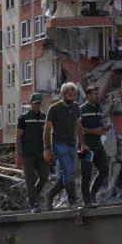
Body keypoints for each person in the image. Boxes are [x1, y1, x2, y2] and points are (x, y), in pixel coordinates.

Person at [43, 82, 85, 210]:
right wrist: (47, 148)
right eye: (70, 95)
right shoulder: (54, 109)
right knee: (68, 170)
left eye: (74, 95)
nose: (72, 98)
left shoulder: (76, 108)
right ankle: (72, 201)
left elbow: (78, 126)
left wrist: (82, 143)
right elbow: (47, 129)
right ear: (63, 94)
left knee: (66, 174)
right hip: (59, 144)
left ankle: (50, 194)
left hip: (72, 144)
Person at [15, 93, 49, 212]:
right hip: (28, 154)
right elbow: (18, 137)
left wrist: (49, 150)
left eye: (39, 103)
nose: (38, 105)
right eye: (35, 103)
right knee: (30, 179)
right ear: (30, 103)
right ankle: (33, 203)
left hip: (42, 154)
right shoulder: (24, 118)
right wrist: (18, 155)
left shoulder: (45, 117)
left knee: (45, 176)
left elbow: (49, 135)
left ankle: (33, 196)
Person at [79, 86, 110, 207]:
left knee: (104, 170)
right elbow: (78, 129)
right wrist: (93, 131)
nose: (98, 96)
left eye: (98, 94)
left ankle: (93, 195)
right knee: (86, 175)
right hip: (85, 147)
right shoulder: (81, 109)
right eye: (95, 94)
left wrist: (105, 128)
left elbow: (100, 124)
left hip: (98, 147)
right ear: (88, 96)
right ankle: (86, 201)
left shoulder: (100, 108)